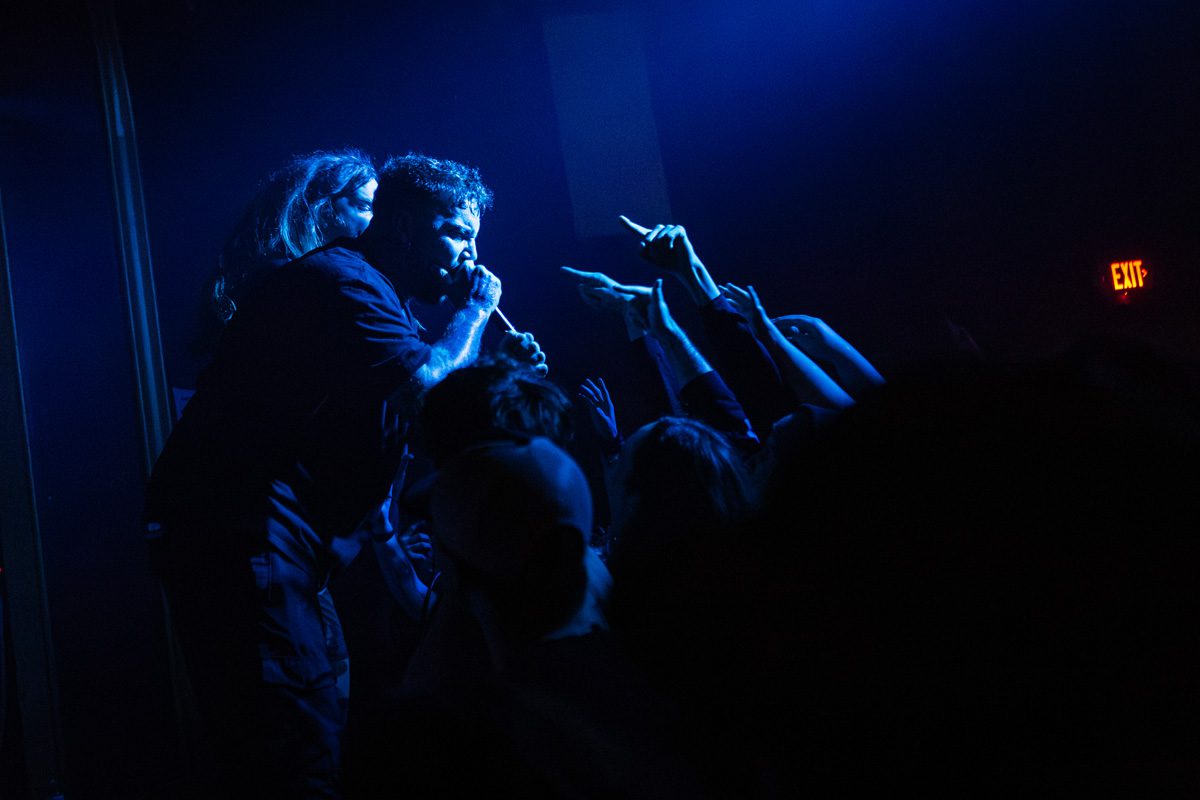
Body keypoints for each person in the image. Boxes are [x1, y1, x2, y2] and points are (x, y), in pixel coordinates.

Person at [144, 152, 543, 798]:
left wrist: (496, 370)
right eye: (456, 233)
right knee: (293, 743)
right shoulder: (343, 281)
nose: (471, 256)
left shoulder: (383, 301)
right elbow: (425, 390)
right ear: (404, 227)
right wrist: (473, 315)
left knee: (321, 718)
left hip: (286, 550)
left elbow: (420, 415)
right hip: (244, 534)